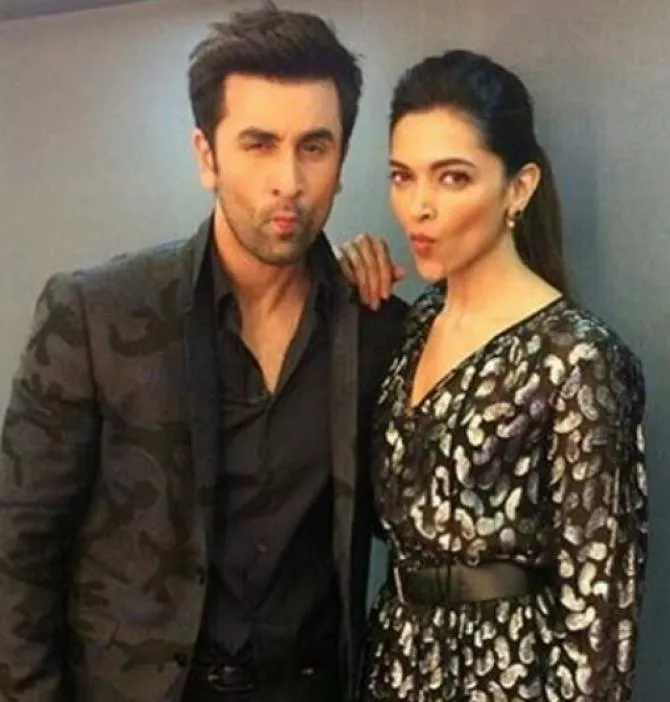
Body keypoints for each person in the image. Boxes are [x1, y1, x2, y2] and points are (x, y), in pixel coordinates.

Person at [0, 7, 406, 702]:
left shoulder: (376, 330)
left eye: (314, 146)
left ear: (341, 162)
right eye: (258, 144)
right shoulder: (96, 313)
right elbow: (18, 548)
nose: (288, 180)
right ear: (206, 156)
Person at [339, 50, 647, 701]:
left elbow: (601, 615)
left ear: (519, 187)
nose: (418, 207)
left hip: (507, 679)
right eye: (402, 177)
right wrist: (331, 289)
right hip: (393, 666)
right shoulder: (411, 327)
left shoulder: (578, 359)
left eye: (452, 178)